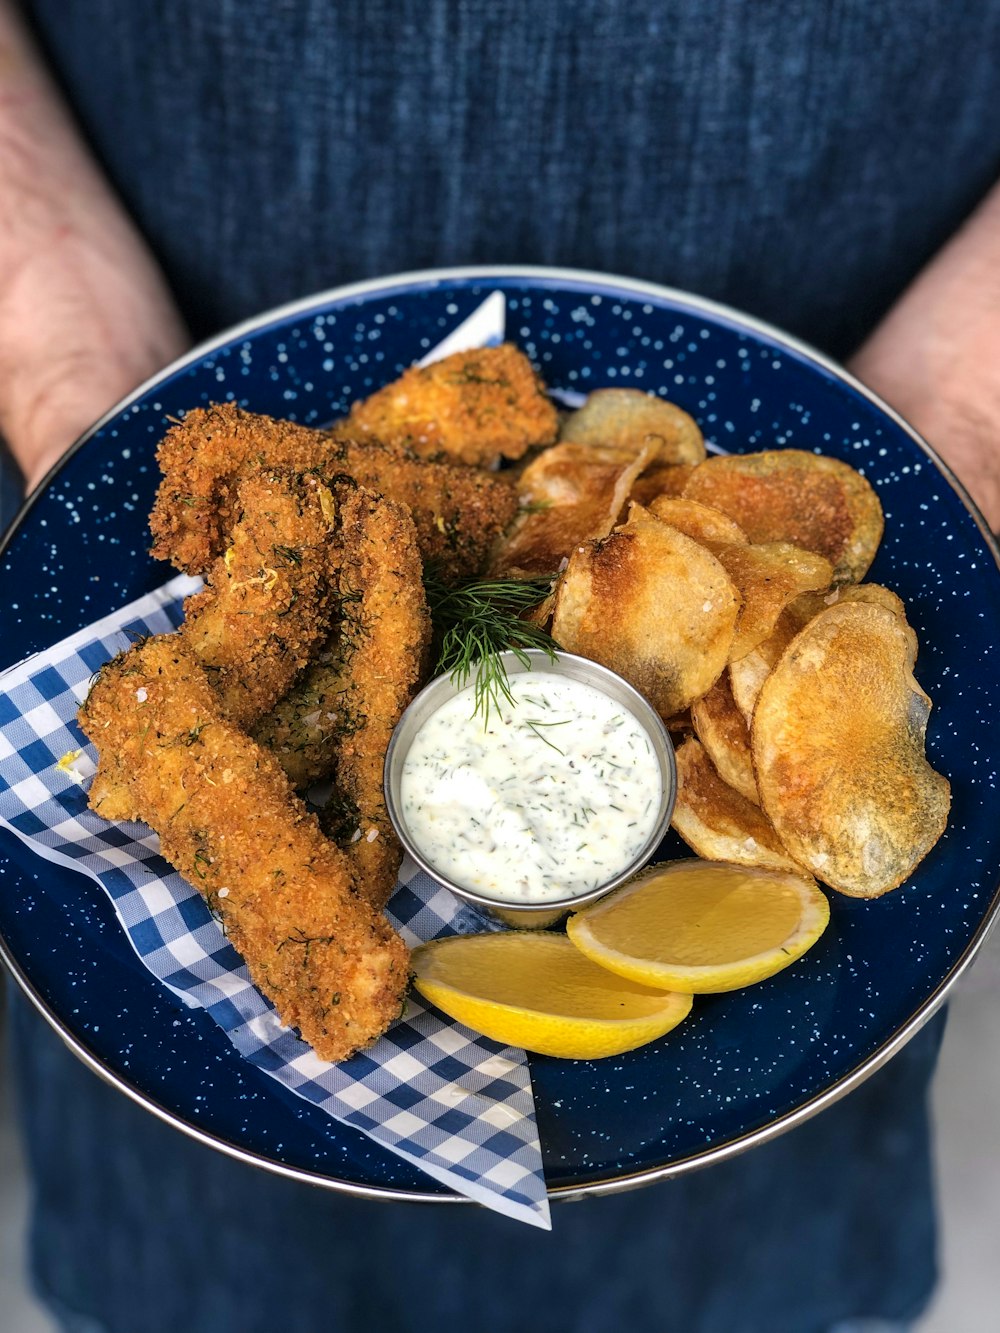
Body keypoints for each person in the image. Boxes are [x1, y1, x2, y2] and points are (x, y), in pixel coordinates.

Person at [1, 2, 998, 1330]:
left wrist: (963, 419)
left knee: (740, 1247)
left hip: (862, 265)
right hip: (161, 230)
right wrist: (62, 340)